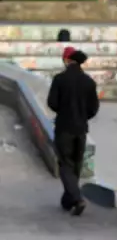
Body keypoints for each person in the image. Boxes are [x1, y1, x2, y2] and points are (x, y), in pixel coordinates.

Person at [46, 46, 100, 216]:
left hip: (64, 128)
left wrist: (64, 111)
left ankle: (77, 198)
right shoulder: (89, 81)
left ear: (67, 60)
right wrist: (82, 117)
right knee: (76, 164)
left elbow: (52, 103)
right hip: (81, 129)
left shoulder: (59, 79)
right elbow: (94, 108)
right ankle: (68, 200)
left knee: (65, 164)